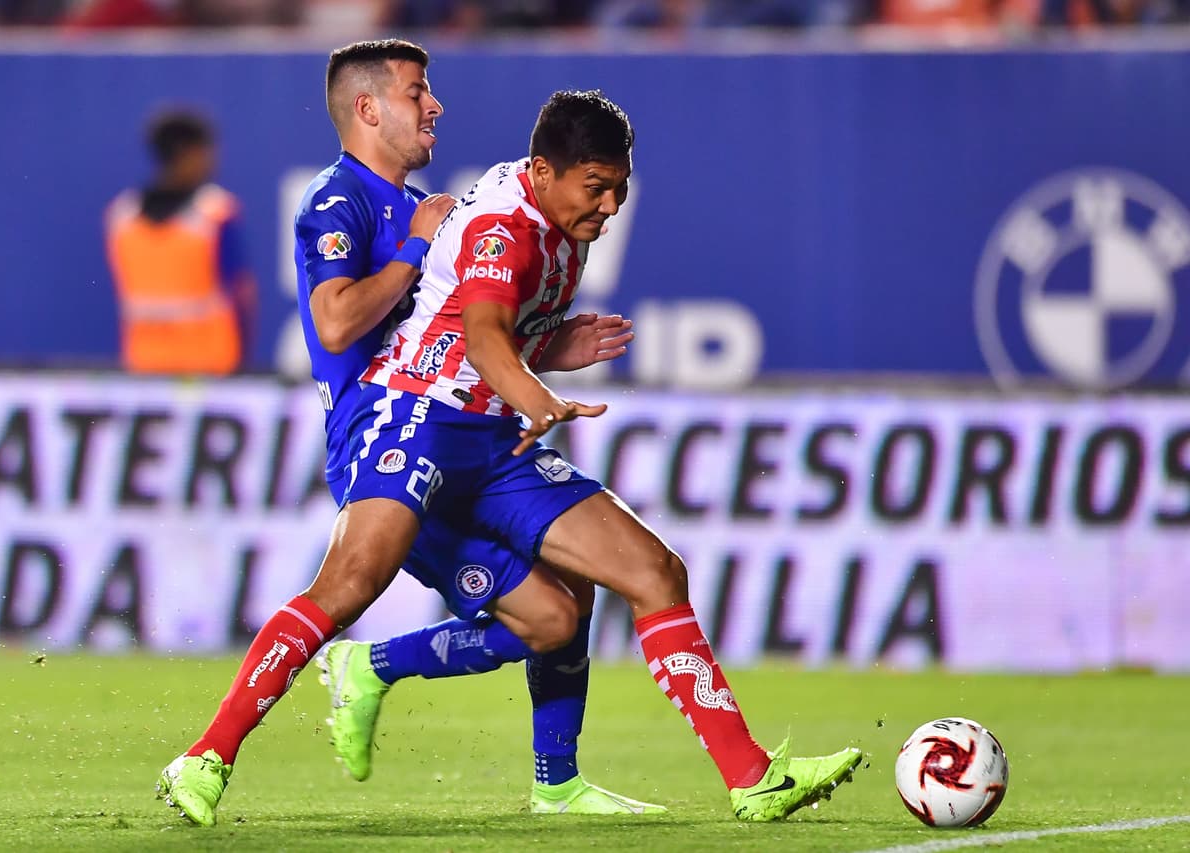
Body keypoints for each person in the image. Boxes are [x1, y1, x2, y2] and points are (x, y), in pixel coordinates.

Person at [305, 88, 864, 822]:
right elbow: (481, 338)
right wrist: (537, 393)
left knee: (641, 576)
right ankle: (367, 677)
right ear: (543, 170)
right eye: (595, 188)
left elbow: (493, 334)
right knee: (554, 615)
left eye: (619, 191)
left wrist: (547, 353)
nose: (607, 207)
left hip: (487, 434)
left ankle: (725, 778)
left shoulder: (557, 217)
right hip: (428, 433)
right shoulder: (505, 228)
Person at [155, 39, 657, 827]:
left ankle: (520, 760)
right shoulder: (338, 198)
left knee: (556, 616)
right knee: (349, 585)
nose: (436, 106)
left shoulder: (437, 206)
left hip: (453, 434)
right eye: (418, 91)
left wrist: (551, 347)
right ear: (368, 109)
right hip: (380, 427)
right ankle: (207, 753)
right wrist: (420, 246)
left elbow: (458, 341)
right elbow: (335, 317)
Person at [105, 109, 257, 375]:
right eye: (207, 151)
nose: (213, 161)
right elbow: (241, 292)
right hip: (211, 366)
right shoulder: (216, 214)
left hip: (144, 365)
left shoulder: (121, 216)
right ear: (189, 153)